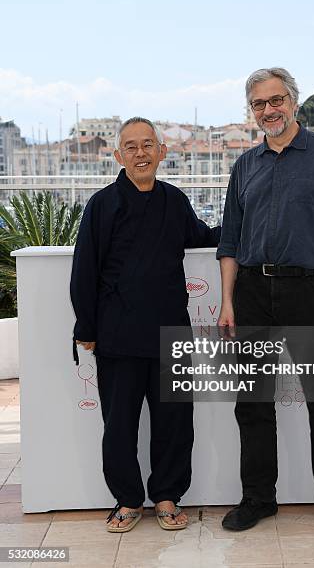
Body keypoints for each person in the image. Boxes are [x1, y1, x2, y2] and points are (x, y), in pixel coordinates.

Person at [216, 67, 314, 533]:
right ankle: (259, 498)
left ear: (293, 102)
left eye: (276, 100)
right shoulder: (245, 166)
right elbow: (231, 244)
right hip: (253, 293)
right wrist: (227, 301)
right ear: (251, 111)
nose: (268, 110)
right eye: (259, 104)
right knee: (252, 402)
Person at [70, 117, 220, 532]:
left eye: (148, 145)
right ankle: (127, 499)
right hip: (117, 334)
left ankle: (167, 496)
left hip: (171, 330)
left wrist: (250, 233)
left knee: (174, 422)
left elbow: (204, 236)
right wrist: (86, 327)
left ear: (162, 152)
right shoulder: (101, 205)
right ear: (118, 156)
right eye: (131, 146)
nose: (140, 153)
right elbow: (84, 269)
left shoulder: (175, 200)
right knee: (118, 425)